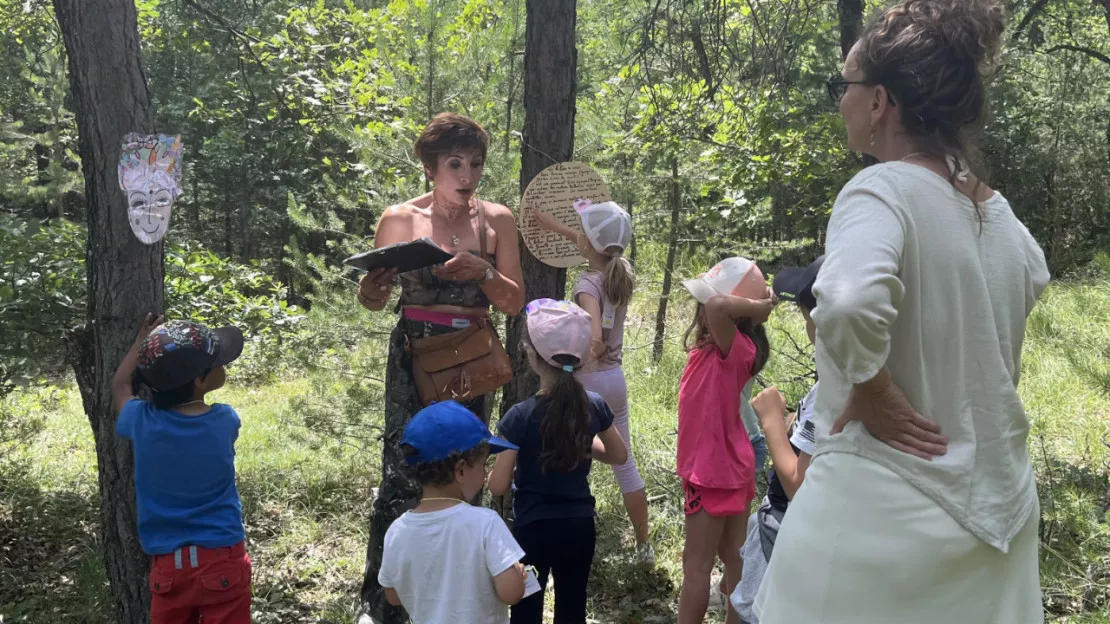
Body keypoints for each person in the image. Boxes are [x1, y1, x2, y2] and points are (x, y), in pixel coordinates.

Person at [754, 1, 1050, 622]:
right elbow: (1031, 274)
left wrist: (871, 383)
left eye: (846, 86)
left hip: (877, 528)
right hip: (999, 525)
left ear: (880, 102)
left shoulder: (879, 188)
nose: (841, 101)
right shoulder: (1003, 219)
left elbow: (851, 301)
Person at [357, 113, 525, 622]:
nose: (467, 174)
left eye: (475, 163)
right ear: (431, 166)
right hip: (414, 351)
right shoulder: (401, 218)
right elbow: (372, 298)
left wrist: (486, 271)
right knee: (403, 461)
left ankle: (468, 587)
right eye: (455, 163)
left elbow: (515, 302)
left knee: (464, 458)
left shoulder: (497, 220)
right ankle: (384, 599)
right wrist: (372, 290)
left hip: (472, 352)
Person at [489, 298, 629, 624]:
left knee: (525, 610)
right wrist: (582, 443)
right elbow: (619, 455)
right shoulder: (593, 406)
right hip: (579, 527)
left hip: (532, 531)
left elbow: (498, 485)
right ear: (579, 360)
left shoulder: (518, 417)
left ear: (531, 355)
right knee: (572, 607)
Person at [532, 200, 654, 566]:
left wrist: (565, 365)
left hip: (586, 379)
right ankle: (643, 545)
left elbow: (594, 336)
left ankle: (562, 525)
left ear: (588, 244)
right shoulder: (620, 271)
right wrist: (553, 224)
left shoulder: (587, 283)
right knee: (625, 463)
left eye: (581, 233)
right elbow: (596, 244)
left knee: (563, 452)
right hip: (615, 379)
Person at [111, 315, 251, 624]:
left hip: (168, 567)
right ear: (200, 381)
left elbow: (120, 385)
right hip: (223, 557)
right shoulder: (225, 419)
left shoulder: (141, 421)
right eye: (217, 362)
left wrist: (140, 344)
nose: (222, 366)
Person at [676, 258, 776, 624]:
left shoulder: (735, 350)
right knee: (736, 559)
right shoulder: (716, 349)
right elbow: (718, 306)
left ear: (738, 314)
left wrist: (760, 307)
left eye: (709, 301)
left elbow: (718, 306)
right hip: (731, 467)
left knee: (696, 566)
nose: (704, 308)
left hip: (711, 473)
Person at [730, 256, 824, 623]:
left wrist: (770, 422)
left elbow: (800, 483)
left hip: (787, 526)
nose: (806, 330)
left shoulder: (830, 391)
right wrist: (792, 428)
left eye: (806, 319)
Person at [378, 400, 527, 623]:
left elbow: (393, 596)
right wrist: (518, 573)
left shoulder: (397, 530)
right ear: (461, 470)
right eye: (483, 464)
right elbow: (511, 593)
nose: (485, 473)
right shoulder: (485, 523)